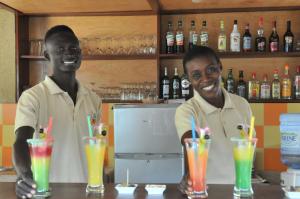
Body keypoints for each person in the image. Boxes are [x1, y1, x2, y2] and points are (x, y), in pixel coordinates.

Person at [13, 25, 101, 198]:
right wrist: (24, 176)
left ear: (80, 53)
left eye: (73, 48)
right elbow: (21, 140)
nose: (69, 53)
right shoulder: (32, 97)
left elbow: (96, 149)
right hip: (47, 193)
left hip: (87, 193)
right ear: (47, 55)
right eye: (60, 49)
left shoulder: (93, 99)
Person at [175, 46, 254, 194]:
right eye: (196, 75)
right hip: (206, 193)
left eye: (211, 70)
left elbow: (249, 147)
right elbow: (192, 145)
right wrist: (189, 177)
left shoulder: (242, 104)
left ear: (220, 67)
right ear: (189, 80)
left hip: (241, 192)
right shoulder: (187, 111)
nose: (205, 79)